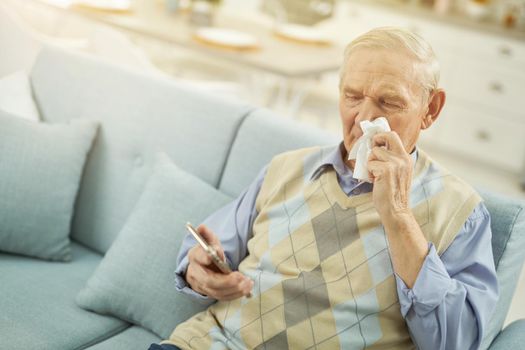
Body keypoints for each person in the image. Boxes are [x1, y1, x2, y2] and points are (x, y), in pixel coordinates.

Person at [150, 27, 499, 350]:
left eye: (388, 102)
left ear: (430, 109)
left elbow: (456, 342)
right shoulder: (286, 168)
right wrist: (200, 270)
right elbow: (206, 253)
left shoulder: (460, 209)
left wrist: (398, 216)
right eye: (352, 96)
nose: (364, 118)